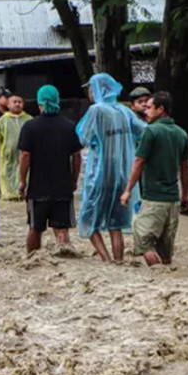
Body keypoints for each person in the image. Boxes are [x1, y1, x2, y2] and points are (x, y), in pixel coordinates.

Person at [76, 73, 147, 261]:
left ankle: (106, 260)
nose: (90, 92)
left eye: (91, 88)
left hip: (99, 176)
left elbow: (82, 138)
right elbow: (143, 132)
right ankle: (119, 261)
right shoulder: (125, 111)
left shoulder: (96, 111)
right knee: (115, 224)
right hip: (123, 176)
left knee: (87, 220)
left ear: (99, 89)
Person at [120, 91, 188, 267]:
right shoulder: (181, 134)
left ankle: (158, 276)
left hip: (153, 199)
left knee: (144, 242)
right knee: (166, 252)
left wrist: (128, 190)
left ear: (160, 109)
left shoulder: (150, 132)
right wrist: (185, 196)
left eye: (150, 107)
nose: (146, 111)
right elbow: (185, 169)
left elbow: (139, 162)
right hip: (173, 201)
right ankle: (166, 281)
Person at [18, 85, 82, 254]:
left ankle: (32, 259)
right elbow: (76, 156)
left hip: (37, 188)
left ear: (39, 104)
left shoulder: (30, 127)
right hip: (62, 187)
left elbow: (25, 156)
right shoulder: (69, 126)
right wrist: (74, 180)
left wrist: (22, 181)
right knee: (62, 229)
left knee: (35, 228)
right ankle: (64, 255)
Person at [0, 93, 32, 200]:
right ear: (8, 104)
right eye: (14, 102)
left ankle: (22, 193)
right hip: (7, 156)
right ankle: (8, 195)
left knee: (24, 173)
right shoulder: (2, 121)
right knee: (7, 174)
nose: (17, 104)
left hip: (25, 154)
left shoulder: (29, 120)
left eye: (20, 102)